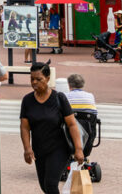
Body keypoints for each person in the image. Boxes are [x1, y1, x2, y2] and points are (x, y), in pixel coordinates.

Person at [19, 61, 85, 194]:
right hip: (39, 149)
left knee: (50, 184)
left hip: (59, 148)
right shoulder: (27, 100)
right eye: (32, 79)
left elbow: (72, 124)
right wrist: (27, 148)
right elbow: (25, 127)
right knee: (44, 186)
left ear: (48, 78)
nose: (34, 82)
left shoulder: (59, 98)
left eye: (39, 79)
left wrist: (78, 149)